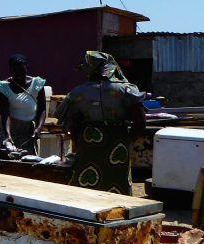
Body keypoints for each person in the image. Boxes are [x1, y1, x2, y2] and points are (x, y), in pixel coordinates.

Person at [56, 51, 145, 195]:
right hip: (118, 142)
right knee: (117, 178)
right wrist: (129, 139)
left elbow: (72, 124)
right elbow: (140, 121)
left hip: (88, 142)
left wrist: (79, 144)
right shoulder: (126, 89)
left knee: (88, 182)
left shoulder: (78, 93)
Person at [0, 54, 47, 155]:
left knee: (28, 160)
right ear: (10, 70)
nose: (18, 74)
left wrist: (39, 129)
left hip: (28, 129)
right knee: (8, 159)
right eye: (14, 70)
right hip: (9, 128)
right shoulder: (3, 87)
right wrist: (7, 136)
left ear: (27, 67)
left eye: (21, 70)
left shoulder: (37, 84)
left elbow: (42, 109)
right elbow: (5, 114)